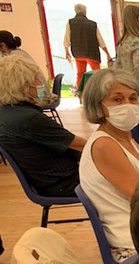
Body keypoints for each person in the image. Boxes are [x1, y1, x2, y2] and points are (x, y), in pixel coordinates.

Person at [80, 68, 139, 263]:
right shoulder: (104, 145)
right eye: (117, 100)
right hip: (134, 244)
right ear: (98, 105)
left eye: (133, 98)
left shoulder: (126, 139)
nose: (127, 105)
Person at [0, 54, 86, 196]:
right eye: (37, 80)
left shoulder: (7, 113)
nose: (41, 84)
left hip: (46, 181)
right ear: (22, 87)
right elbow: (81, 145)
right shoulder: (28, 118)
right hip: (64, 183)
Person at [63, 4, 112, 84]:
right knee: (97, 74)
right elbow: (100, 41)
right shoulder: (92, 24)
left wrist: (67, 51)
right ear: (85, 12)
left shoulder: (70, 23)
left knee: (80, 74)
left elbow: (66, 39)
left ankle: (80, 93)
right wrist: (107, 54)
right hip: (92, 53)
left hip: (78, 53)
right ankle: (98, 91)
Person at [0, 30, 49, 95]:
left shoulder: (15, 58)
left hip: (39, 98)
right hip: (39, 95)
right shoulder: (18, 53)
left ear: (3, 45)